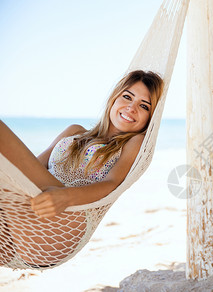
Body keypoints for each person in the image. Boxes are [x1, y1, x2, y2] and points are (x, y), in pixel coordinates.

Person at [0, 70, 163, 265]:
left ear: (149, 118)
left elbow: (111, 183)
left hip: (63, 224)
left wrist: (65, 196)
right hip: (23, 216)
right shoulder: (74, 131)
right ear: (114, 98)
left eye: (144, 106)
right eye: (127, 96)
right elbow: (30, 166)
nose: (131, 107)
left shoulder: (135, 142)